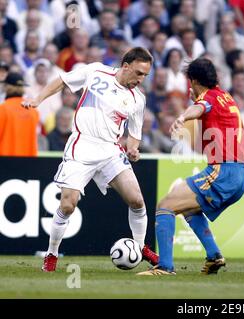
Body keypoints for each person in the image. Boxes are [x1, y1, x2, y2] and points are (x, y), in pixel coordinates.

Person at [22, 47, 159, 272]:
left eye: (145, 75)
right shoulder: (96, 71)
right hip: (82, 145)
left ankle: (140, 246)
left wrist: (133, 150)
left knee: (137, 201)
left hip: (110, 151)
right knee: (68, 204)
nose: (141, 79)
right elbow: (63, 81)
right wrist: (38, 99)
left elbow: (134, 136)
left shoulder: (138, 100)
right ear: (126, 66)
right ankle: (51, 254)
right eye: (138, 73)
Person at [137, 58, 244, 276]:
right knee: (188, 209)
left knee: (165, 206)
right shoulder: (226, 97)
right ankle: (214, 256)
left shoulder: (207, 99)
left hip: (222, 171)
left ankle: (165, 267)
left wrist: (182, 116)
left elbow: (200, 107)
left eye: (191, 81)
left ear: (195, 80)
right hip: (239, 173)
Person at [0, 72, 39, 157]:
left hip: (5, 162)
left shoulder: (2, 109)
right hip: (28, 161)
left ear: (7, 87)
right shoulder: (33, 110)